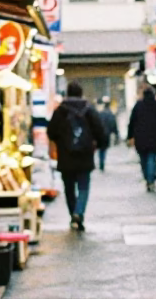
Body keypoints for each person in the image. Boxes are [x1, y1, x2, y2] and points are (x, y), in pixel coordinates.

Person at [47, 81, 107, 232]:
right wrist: (98, 145)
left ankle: (73, 214)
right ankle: (78, 213)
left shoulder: (60, 111)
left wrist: (62, 141)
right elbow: (100, 131)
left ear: (67, 93)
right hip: (85, 156)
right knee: (83, 187)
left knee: (69, 188)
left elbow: (51, 132)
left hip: (66, 157)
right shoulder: (89, 110)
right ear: (81, 93)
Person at [127, 86, 156, 191]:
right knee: (152, 160)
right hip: (154, 138)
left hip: (140, 139)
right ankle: (150, 181)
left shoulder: (138, 105)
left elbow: (131, 122)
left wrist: (130, 136)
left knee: (143, 160)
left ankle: (147, 178)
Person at [96, 98, 118, 171]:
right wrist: (115, 133)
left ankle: (101, 162)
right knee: (103, 149)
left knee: (101, 149)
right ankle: (102, 162)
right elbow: (113, 124)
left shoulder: (101, 113)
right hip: (106, 134)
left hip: (100, 133)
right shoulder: (110, 114)